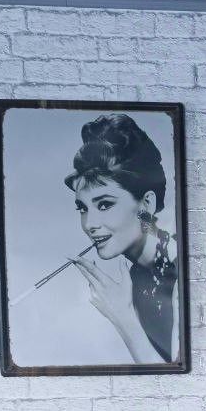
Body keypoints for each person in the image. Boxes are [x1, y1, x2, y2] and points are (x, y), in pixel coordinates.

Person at [64, 114, 179, 363]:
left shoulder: (182, 269)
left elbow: (173, 376)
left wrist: (122, 316)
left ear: (146, 204)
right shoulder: (138, 275)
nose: (89, 224)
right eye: (82, 208)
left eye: (105, 204)